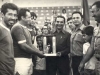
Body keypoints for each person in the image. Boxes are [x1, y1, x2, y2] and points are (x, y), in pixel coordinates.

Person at [11, 8, 45, 75]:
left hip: (27, 59)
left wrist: (39, 52)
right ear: (22, 17)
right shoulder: (17, 27)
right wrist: (37, 53)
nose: (31, 19)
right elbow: (23, 46)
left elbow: (30, 44)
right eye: (29, 17)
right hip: (20, 61)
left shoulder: (25, 28)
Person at [78, 1, 100, 75]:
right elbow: (91, 47)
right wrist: (82, 63)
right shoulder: (96, 27)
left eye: (94, 12)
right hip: (98, 64)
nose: (92, 15)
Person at [0, 3, 18, 75]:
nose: (13, 18)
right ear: (2, 14)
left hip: (9, 71)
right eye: (10, 14)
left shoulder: (8, 30)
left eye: (15, 15)